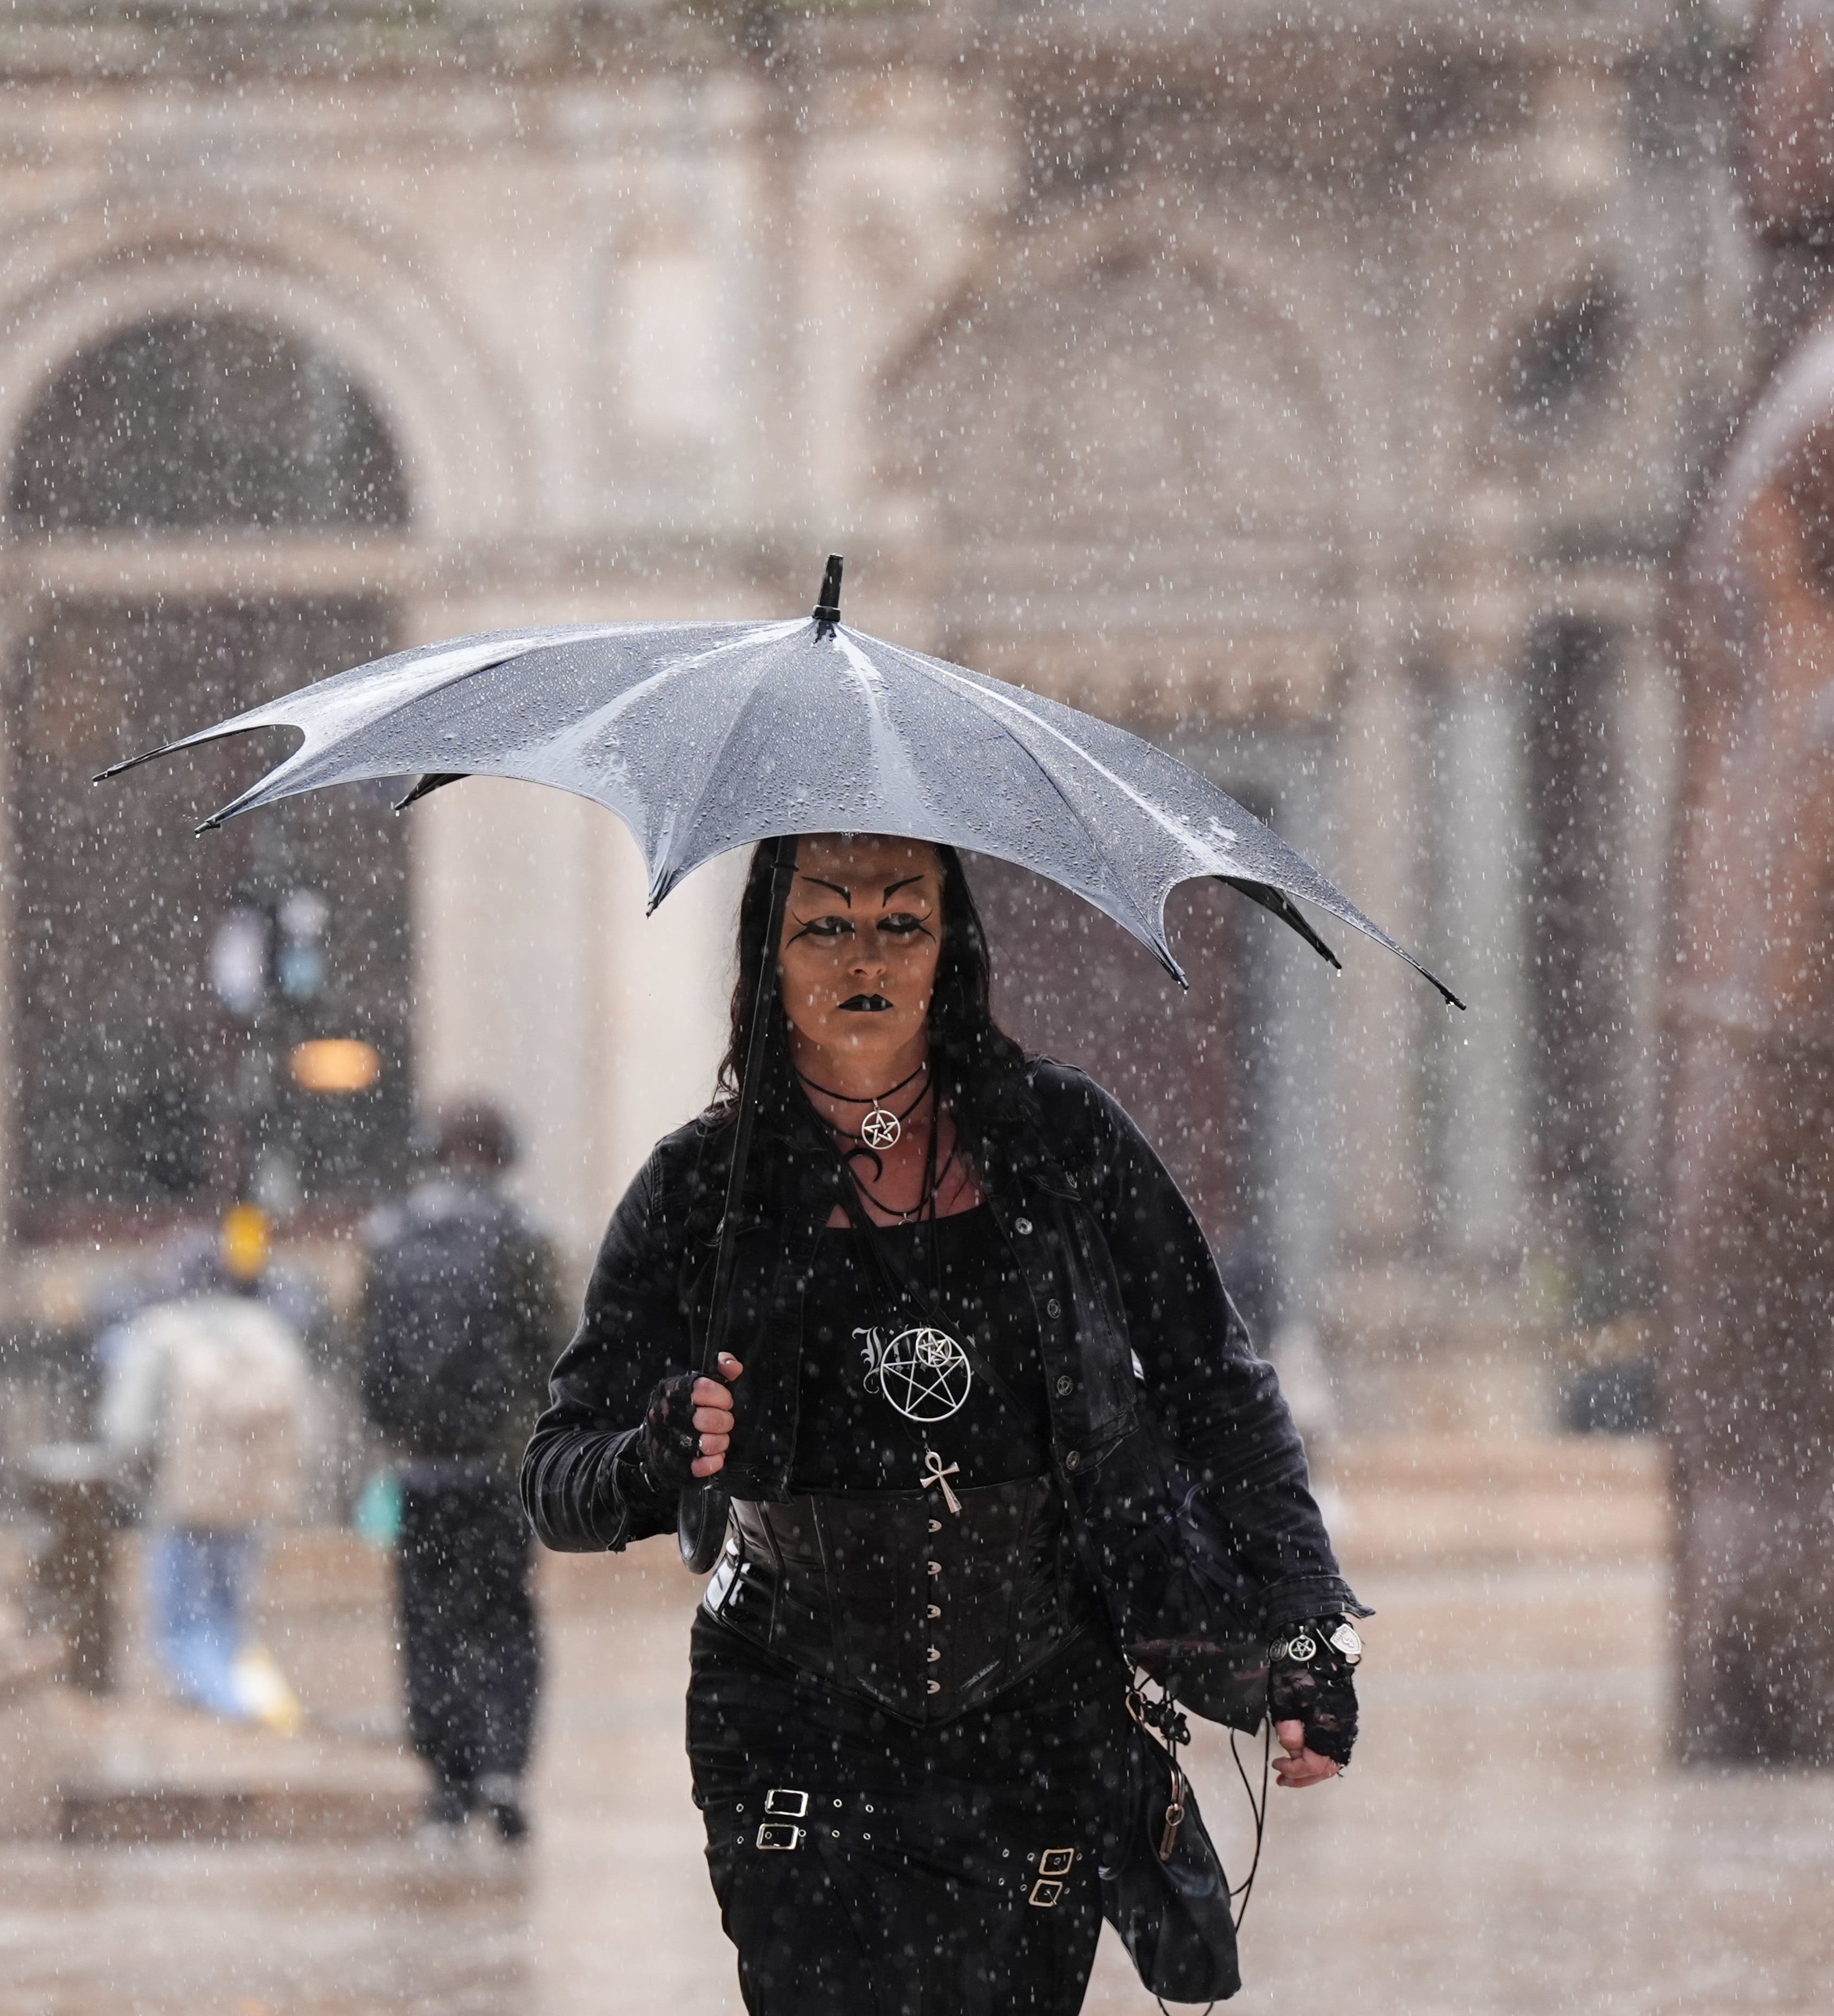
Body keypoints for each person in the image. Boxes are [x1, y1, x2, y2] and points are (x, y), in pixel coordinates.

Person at [524, 833, 1361, 2015]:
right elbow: (558, 1471)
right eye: (825, 923)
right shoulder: (702, 1185)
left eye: (901, 920)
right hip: (793, 1718)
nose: (864, 954)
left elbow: (1216, 1384)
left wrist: (1313, 1637)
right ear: (767, 950)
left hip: (1041, 1712)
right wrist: (656, 1453)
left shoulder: (1064, 1141)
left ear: (950, 946)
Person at [360, 1098, 562, 1844]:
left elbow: (370, 1364)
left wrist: (405, 1432)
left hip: (420, 1473)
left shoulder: (391, 1235)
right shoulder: (524, 1236)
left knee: (429, 1624)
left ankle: (446, 1784)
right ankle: (504, 1768)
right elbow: (558, 1349)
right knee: (505, 1616)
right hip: (501, 1471)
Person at [101, 1203, 314, 1726]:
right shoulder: (266, 1330)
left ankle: (233, 1713)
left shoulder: (160, 1334)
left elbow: (125, 1433)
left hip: (182, 1503)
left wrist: (139, 1487)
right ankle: (262, 1707)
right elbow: (306, 1425)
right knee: (230, 1620)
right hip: (251, 1503)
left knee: (179, 1624)